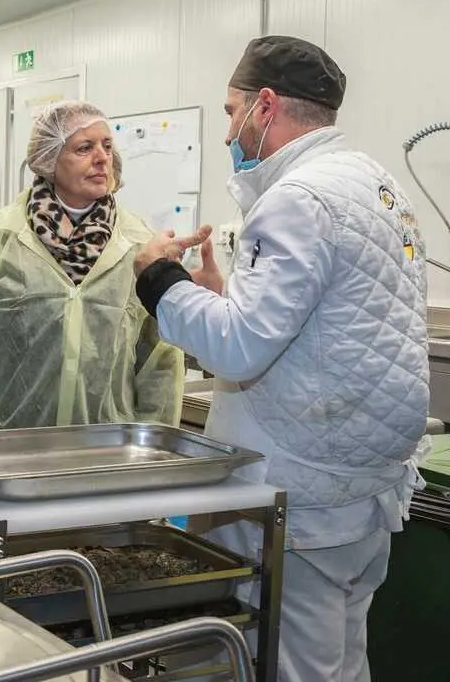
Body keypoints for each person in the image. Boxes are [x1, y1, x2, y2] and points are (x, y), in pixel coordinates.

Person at [132, 36, 430, 681]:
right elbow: (321, 323)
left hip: (303, 489)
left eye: (230, 108)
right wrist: (222, 297)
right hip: (362, 484)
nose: (228, 127)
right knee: (342, 658)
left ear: (264, 106)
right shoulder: (378, 186)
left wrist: (161, 281)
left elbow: (240, 350)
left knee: (290, 663)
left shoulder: (300, 198)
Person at [0, 101, 183, 432]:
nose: (102, 158)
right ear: (49, 159)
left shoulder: (138, 243)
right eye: (84, 147)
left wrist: (147, 447)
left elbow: (161, 361)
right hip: (10, 451)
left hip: (107, 454)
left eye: (107, 146)